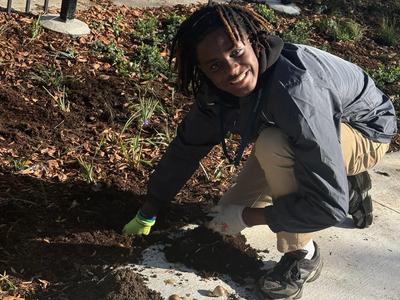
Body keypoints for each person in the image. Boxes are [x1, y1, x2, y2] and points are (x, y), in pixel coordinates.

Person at [122, 3, 397, 299]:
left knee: (274, 146)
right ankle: (341, 177)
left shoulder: (296, 92)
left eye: (236, 52)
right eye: (215, 65)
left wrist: (249, 217)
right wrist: (149, 210)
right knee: (220, 222)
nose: (232, 70)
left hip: (365, 130)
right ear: (203, 71)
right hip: (311, 131)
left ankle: (302, 254)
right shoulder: (217, 94)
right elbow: (186, 148)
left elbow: (328, 208)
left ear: (253, 41)